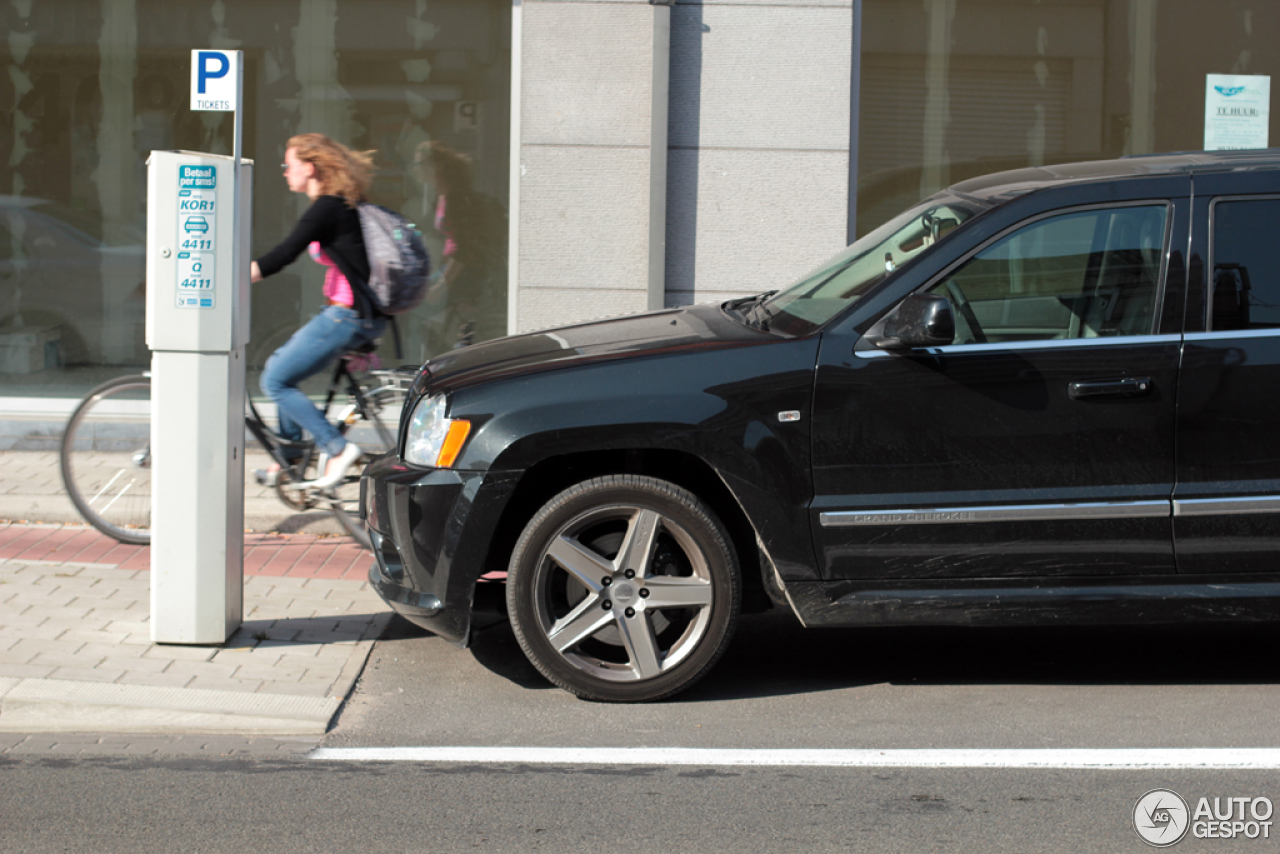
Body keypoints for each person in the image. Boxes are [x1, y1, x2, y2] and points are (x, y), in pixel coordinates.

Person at [250, 133, 386, 489]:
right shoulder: (341, 204)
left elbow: (283, 254)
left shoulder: (328, 207)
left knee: (275, 380)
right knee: (280, 367)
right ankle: (291, 458)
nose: (284, 172)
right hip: (352, 313)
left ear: (309, 168)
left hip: (346, 315)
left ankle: (337, 448)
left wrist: (228, 278)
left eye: (288, 165)